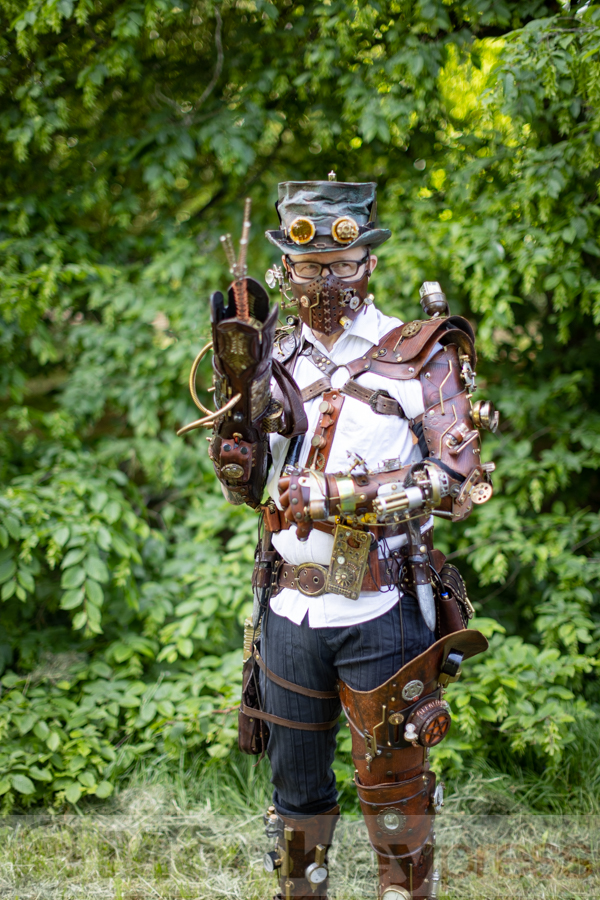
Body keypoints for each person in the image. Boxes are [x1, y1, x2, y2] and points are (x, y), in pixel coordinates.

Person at [180, 177, 497, 900]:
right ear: (284, 271)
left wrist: (338, 495)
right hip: (289, 608)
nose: (323, 281)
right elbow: (244, 488)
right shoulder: (273, 357)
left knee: (396, 801)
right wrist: (236, 439)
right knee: (295, 807)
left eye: (339, 264)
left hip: (383, 607)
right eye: (307, 266)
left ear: (368, 264)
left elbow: (458, 482)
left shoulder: (420, 353)